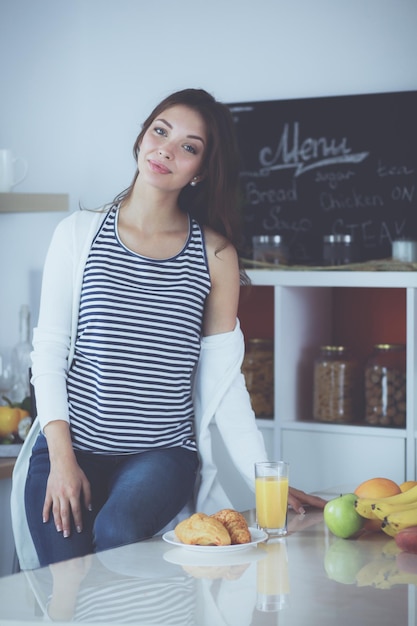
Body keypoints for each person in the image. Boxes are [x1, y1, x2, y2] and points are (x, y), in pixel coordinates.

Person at [11, 88, 325, 570]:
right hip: (70, 446)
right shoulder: (78, 234)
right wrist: (61, 460)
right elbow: (48, 353)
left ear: (199, 170)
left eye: (189, 146)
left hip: (161, 454)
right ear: (141, 138)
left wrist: (267, 484)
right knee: (65, 587)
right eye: (160, 131)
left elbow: (227, 380)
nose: (167, 150)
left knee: (117, 533)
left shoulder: (215, 255)